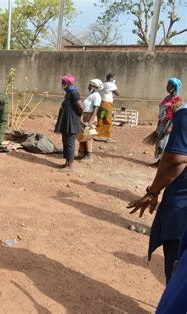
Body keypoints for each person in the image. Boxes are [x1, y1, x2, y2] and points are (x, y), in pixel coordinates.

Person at [127, 101, 187, 283]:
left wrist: (152, 192)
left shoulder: (184, 115)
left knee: (177, 269)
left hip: (181, 206)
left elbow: (176, 160)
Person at [54, 74, 83, 170]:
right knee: (65, 142)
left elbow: (80, 108)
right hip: (66, 121)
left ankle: (70, 166)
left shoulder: (74, 93)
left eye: (63, 82)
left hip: (71, 122)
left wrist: (77, 117)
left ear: (67, 83)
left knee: (70, 143)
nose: (62, 84)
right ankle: (66, 163)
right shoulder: (68, 93)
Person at [153, 78, 183, 164]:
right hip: (162, 122)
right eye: (167, 84)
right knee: (158, 141)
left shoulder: (178, 99)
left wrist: (171, 126)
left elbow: (177, 114)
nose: (167, 86)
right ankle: (159, 159)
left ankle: (162, 161)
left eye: (169, 85)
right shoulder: (167, 98)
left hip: (169, 123)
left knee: (163, 141)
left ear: (174, 87)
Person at [78, 79, 102, 160]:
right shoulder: (92, 95)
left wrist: (90, 121)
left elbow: (96, 109)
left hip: (90, 116)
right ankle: (82, 153)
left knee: (89, 135)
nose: (88, 87)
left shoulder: (96, 96)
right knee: (83, 134)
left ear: (94, 86)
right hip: (85, 115)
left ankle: (89, 155)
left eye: (89, 85)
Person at [96, 73, 119, 142]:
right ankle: (107, 136)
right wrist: (114, 85)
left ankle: (98, 135)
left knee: (101, 118)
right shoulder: (111, 85)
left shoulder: (103, 84)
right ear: (111, 78)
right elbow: (117, 93)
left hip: (101, 102)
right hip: (107, 103)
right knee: (108, 119)